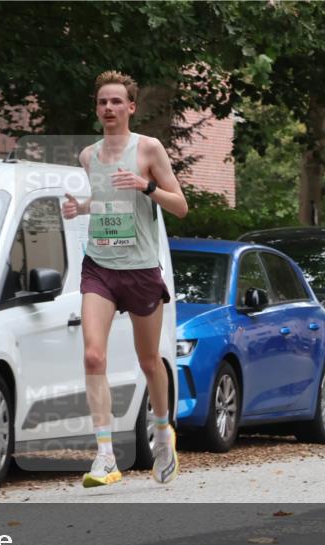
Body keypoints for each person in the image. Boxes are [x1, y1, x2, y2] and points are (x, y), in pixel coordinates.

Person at [61, 70, 189, 488]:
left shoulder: (148, 148)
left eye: (116, 101)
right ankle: (104, 454)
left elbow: (181, 206)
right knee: (93, 356)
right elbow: (106, 202)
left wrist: (145, 186)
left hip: (140, 269)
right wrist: (81, 208)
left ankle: (163, 432)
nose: (109, 108)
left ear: (131, 107)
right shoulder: (88, 156)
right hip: (99, 267)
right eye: (102, 102)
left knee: (149, 361)